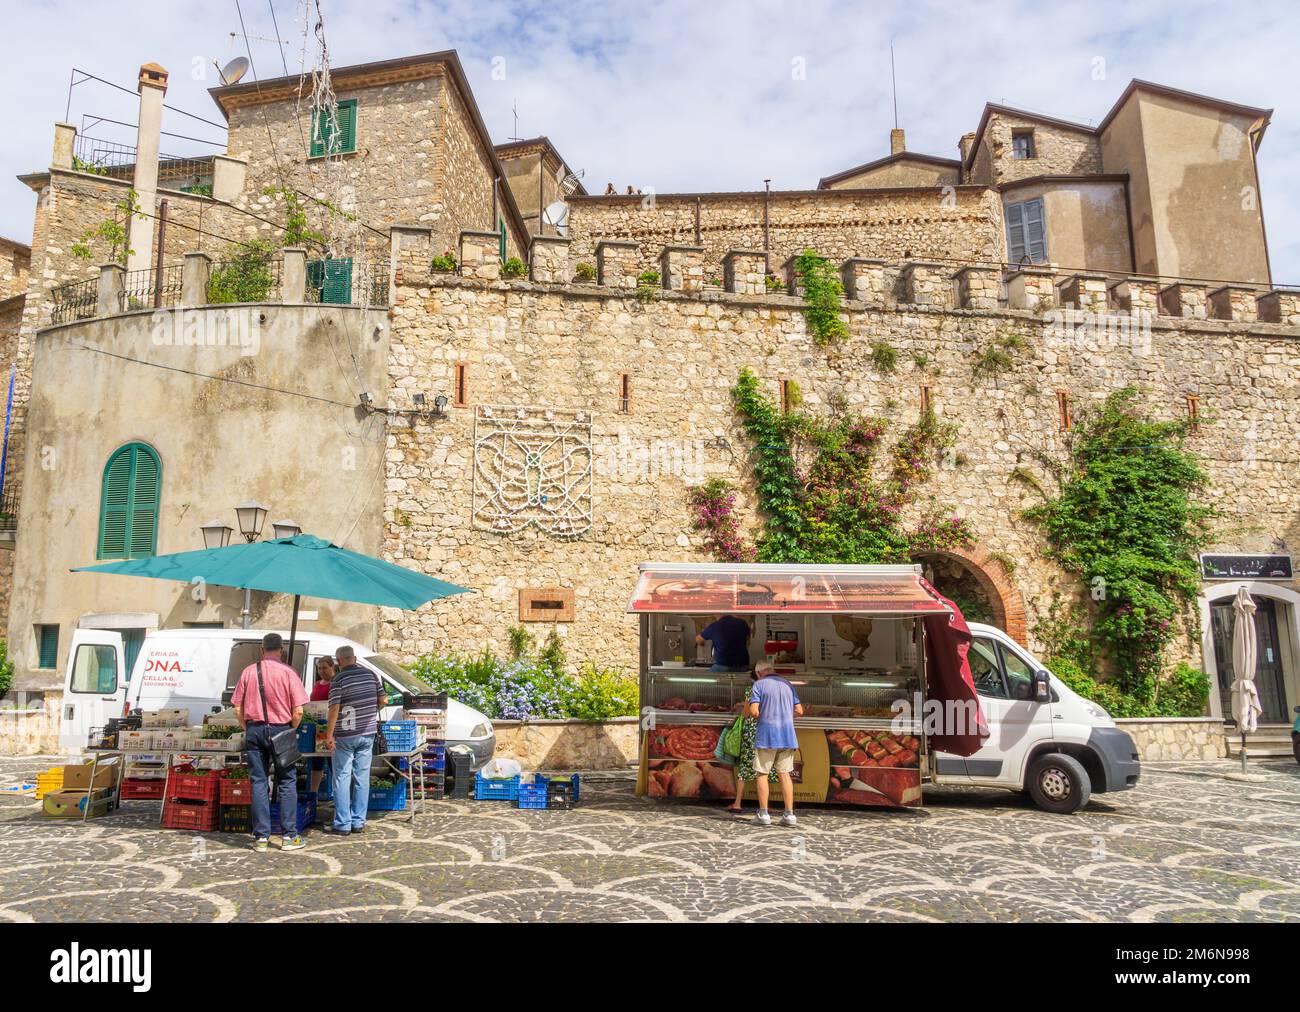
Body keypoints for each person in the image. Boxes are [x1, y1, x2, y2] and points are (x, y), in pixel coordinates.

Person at [231, 632, 308, 852]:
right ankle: (289, 836)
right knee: (287, 781)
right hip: (281, 729)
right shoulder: (288, 673)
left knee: (258, 782)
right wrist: (290, 729)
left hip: (254, 729)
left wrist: (248, 728)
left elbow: (237, 708)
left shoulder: (248, 672)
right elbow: (299, 710)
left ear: (262, 650)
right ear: (281, 650)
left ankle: (261, 838)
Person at [321, 645, 386, 835]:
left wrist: (329, 735)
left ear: (339, 661)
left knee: (341, 777)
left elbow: (334, 709)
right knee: (362, 778)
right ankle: (358, 821)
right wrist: (369, 713)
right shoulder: (371, 675)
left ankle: (342, 823)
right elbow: (383, 700)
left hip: (344, 736)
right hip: (367, 733)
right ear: (355, 658)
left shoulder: (339, 679)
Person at [748, 660, 803, 827]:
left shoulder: (758, 685)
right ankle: (789, 814)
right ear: (772, 670)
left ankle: (763, 814)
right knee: (785, 774)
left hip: (767, 736)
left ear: (758, 673)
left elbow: (754, 711)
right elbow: (800, 710)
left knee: (762, 774)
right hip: (787, 736)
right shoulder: (787, 684)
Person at [724, 668, 778, 816]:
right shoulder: (773, 688)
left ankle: (737, 803)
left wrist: (741, 709)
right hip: (768, 730)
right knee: (768, 767)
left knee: (746, 765)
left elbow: (748, 712)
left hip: (752, 731)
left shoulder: (752, 689)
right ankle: (767, 805)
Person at [308, 656, 337, 795]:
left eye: (325, 667)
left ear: (332, 667)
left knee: (333, 763)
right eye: (319, 668)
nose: (321, 671)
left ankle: (338, 795)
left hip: (331, 727)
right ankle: (314, 795)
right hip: (317, 727)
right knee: (316, 762)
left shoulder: (336, 683)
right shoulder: (317, 684)